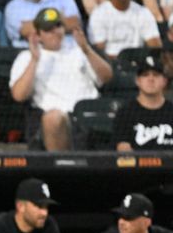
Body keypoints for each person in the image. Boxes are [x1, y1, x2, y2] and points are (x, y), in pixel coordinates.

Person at [10, 8, 113, 151]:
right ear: (38, 35)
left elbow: (107, 77)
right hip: (57, 118)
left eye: (58, 26)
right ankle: (62, 172)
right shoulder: (26, 57)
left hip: (88, 114)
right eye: (48, 29)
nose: (55, 32)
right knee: (53, 118)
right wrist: (34, 60)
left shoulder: (79, 51)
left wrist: (87, 49)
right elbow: (19, 95)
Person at [114, 53, 173, 150]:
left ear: (164, 81)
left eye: (156, 75)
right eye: (145, 75)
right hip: (136, 165)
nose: (151, 79)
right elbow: (123, 150)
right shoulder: (125, 113)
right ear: (137, 81)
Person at [88, 0, 161, 61]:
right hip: (111, 65)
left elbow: (155, 46)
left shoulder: (143, 12)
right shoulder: (98, 14)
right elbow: (99, 50)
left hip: (138, 62)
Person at [3, 0, 82, 49]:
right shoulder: (13, 6)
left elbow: (74, 23)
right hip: (30, 56)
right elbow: (27, 30)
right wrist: (60, 19)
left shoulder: (65, 0)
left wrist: (37, 23)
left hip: (68, 54)